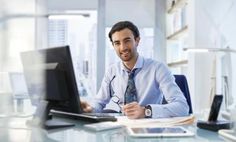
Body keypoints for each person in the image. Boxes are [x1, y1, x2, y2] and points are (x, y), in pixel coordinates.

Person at [81, 21, 189, 119]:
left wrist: (146, 111)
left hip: (150, 129)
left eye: (127, 41)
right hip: (122, 129)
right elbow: (99, 102)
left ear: (137, 41)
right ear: (113, 45)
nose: (123, 48)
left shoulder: (158, 69)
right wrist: (90, 109)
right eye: (117, 43)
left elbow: (182, 107)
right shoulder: (112, 71)